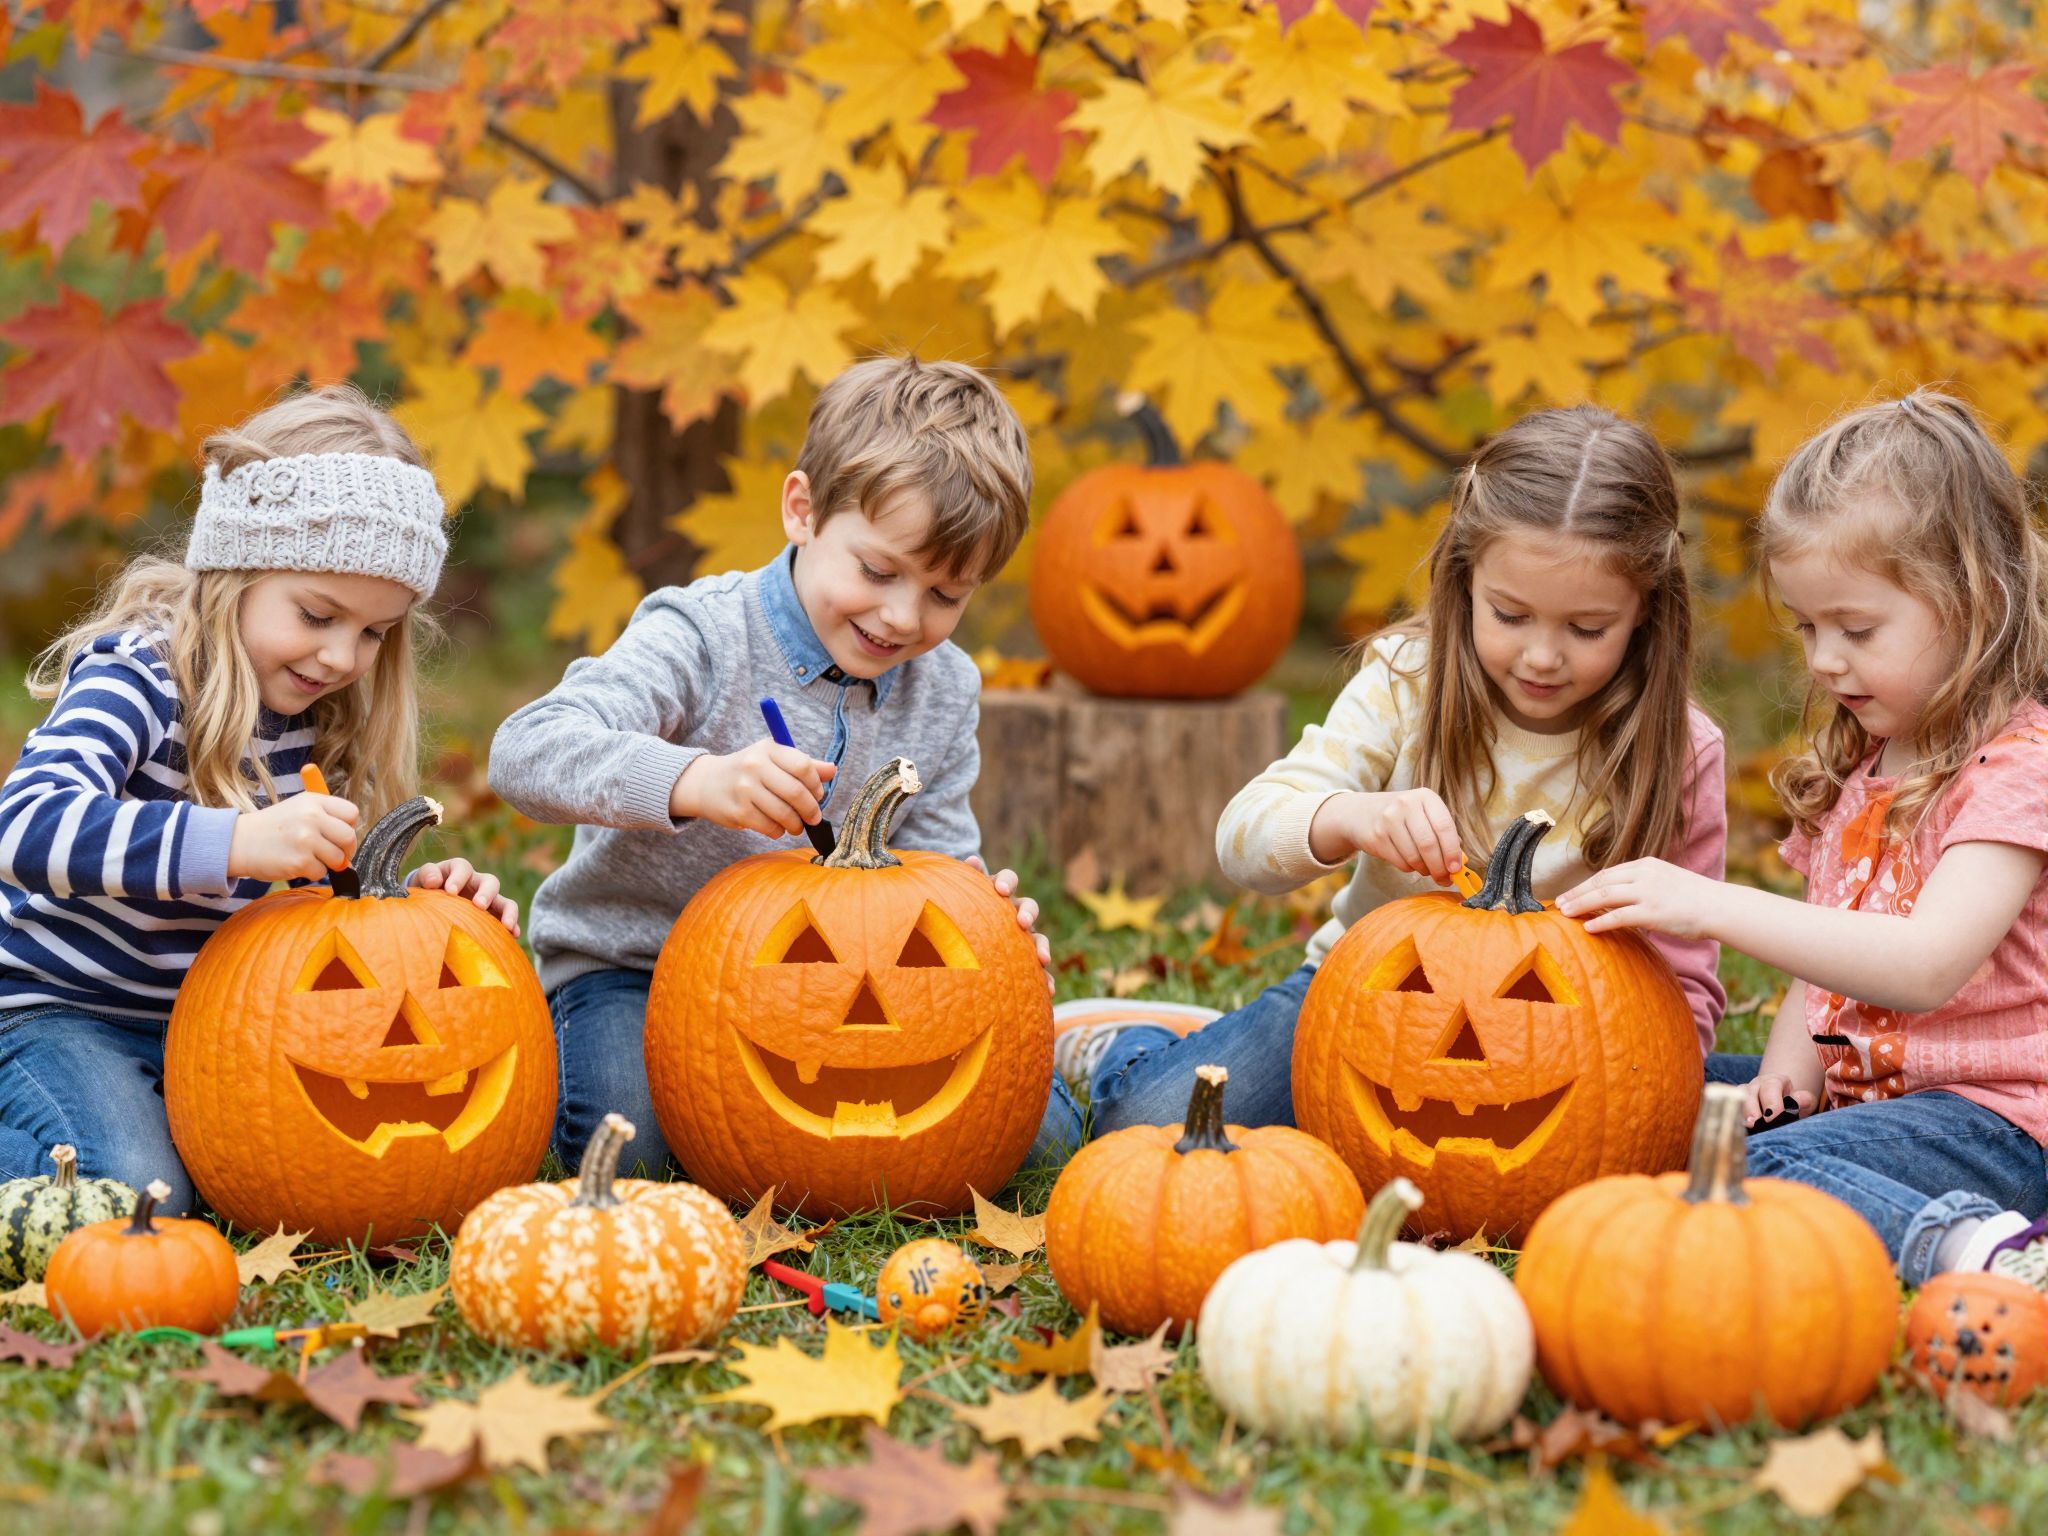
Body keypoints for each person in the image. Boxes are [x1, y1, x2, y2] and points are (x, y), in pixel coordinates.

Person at [1059, 404, 1727, 1133]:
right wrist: (1352, 817)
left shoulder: (1681, 750)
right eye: (1509, 615)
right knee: (1147, 1119)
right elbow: (1244, 838)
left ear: (1646, 613)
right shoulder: (1407, 682)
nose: (1541, 655)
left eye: (1586, 629)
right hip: (1364, 995)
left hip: (1566, 1033)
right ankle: (1127, 1045)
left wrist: (1654, 1105)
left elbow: (1682, 976)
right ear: (1467, 580)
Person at [490, 355, 1070, 1176]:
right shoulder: (700, 635)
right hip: (635, 971)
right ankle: (565, 1051)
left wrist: (990, 939)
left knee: (1032, 1136)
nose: (903, 616)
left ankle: (1097, 1045)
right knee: (636, 1155)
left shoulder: (944, 688)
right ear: (802, 510)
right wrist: (698, 782)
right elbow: (528, 749)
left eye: (947, 595)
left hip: (828, 986)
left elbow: (938, 858)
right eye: (877, 571)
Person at [1560, 389, 2048, 1286]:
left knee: (1750, 1169)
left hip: (1998, 1122)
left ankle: (1980, 1245)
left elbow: (1926, 962)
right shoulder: (1867, 763)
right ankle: (1814, 1154)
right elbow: (1822, 967)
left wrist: (1712, 905)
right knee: (1644, 1101)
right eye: (1809, 628)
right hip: (1872, 1097)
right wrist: (1785, 1081)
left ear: (1975, 601)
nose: (1823, 660)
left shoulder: (2017, 773)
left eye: (1856, 630)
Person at [0, 385, 514, 1212]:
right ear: (234, 569)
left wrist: (414, 906)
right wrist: (234, 843)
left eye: (375, 632)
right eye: (318, 614)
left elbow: (324, 922)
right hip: (54, 1012)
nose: (344, 655)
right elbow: (26, 825)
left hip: (203, 1030)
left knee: (253, 1181)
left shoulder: (321, 721)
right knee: (138, 1196)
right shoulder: (138, 676)